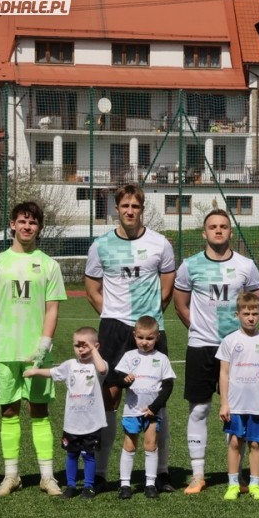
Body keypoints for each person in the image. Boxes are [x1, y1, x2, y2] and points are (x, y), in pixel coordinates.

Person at [85, 183, 176, 492]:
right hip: (114, 329)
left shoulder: (160, 244)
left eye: (135, 206)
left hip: (149, 330)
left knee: (157, 400)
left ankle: (161, 472)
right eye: (124, 206)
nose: (129, 211)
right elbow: (92, 289)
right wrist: (112, 314)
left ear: (142, 209)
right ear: (117, 208)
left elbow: (167, 289)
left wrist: (149, 322)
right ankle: (101, 473)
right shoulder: (100, 245)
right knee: (109, 398)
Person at [0, 201, 66, 497]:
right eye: (22, 221)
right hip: (3, 351)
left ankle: (47, 477)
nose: (27, 226)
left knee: (39, 410)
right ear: (12, 225)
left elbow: (52, 309)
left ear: (39, 228)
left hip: (34, 354)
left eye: (33, 222)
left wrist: (44, 346)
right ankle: (11, 476)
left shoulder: (49, 265)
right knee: (8, 411)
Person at [173, 209, 259, 494]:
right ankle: (198, 475)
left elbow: (255, 304)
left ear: (230, 232)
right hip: (201, 347)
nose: (219, 230)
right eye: (213, 227)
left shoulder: (247, 266)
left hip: (237, 349)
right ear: (204, 233)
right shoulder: (189, 265)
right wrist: (199, 329)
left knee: (236, 412)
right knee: (199, 409)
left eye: (223, 226)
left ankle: (235, 476)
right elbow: (180, 305)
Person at [23, 327, 108, 499]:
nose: (81, 349)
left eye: (85, 345)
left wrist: (93, 350)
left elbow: (102, 369)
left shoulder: (97, 365)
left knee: (89, 456)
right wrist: (35, 371)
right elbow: (52, 372)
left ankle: (88, 486)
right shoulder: (70, 365)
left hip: (92, 423)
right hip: (72, 423)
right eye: (77, 345)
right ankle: (70, 486)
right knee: (71, 454)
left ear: (96, 346)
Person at [217, 292, 259, 501]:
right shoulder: (229, 341)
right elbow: (224, 373)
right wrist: (224, 403)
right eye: (246, 314)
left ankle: (254, 484)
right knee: (235, 442)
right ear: (238, 315)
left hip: (258, 404)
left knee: (255, 444)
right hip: (235, 404)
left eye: (254, 314)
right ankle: (233, 484)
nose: (250, 318)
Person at [114, 316, 176, 500]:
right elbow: (119, 380)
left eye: (149, 338)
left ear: (157, 337)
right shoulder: (129, 356)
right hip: (132, 411)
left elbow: (168, 386)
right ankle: (125, 485)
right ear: (134, 335)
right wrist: (125, 381)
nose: (144, 342)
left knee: (151, 445)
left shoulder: (161, 359)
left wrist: (155, 407)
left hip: (152, 412)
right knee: (129, 445)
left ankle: (150, 484)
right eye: (140, 337)